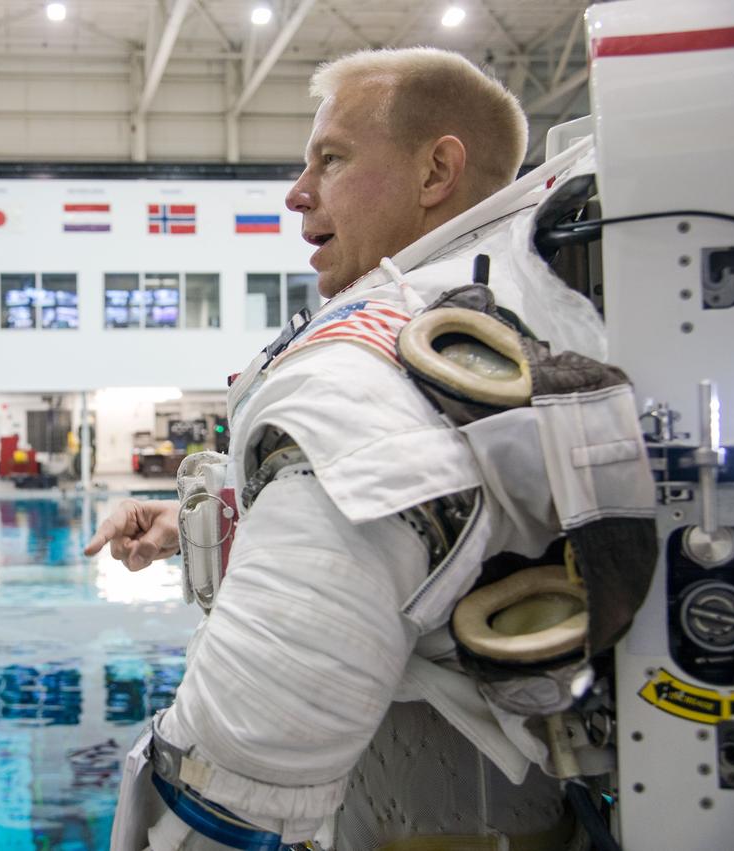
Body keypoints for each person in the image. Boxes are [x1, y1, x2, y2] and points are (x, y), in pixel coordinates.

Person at [88, 48, 610, 849]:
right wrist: (209, 520)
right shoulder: (525, 311)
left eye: (330, 159)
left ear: (436, 171)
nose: (297, 194)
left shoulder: (365, 376)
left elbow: (239, 761)